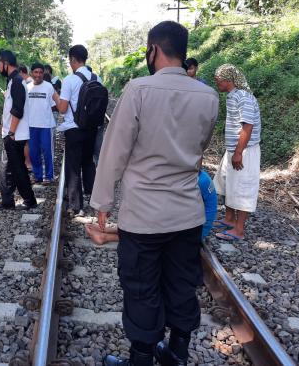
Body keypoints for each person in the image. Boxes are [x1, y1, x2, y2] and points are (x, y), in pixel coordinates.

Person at [90, 21, 219, 366]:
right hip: (187, 214)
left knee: (142, 288)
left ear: (154, 49)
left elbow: (114, 152)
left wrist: (102, 202)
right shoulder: (208, 96)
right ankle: (176, 354)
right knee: (180, 284)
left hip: (144, 217)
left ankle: (142, 359)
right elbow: (200, 150)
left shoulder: (139, 89)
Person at [85, 170, 218, 245]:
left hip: (194, 231)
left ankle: (107, 237)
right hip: (191, 225)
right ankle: (111, 229)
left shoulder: (193, 181)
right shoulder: (194, 176)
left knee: (153, 229)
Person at [212, 64, 261, 242]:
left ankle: (239, 230)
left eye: (218, 80)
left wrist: (239, 152)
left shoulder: (243, 97)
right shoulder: (233, 96)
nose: (217, 83)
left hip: (245, 150)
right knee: (228, 184)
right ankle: (229, 219)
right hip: (234, 149)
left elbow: (248, 126)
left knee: (243, 187)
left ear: (228, 80)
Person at [57, 45, 101, 216]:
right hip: (91, 129)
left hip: (74, 129)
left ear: (73, 59)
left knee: (73, 166)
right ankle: (94, 199)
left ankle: (76, 206)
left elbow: (62, 108)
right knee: (88, 162)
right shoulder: (97, 78)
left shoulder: (69, 80)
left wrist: (57, 98)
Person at [0, 50, 37, 211]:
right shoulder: (12, 82)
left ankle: (29, 200)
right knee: (6, 168)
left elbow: (17, 110)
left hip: (15, 135)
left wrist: (11, 133)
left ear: (6, 63)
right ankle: (7, 201)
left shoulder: (17, 82)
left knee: (17, 169)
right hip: (11, 134)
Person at [27, 63, 60, 183]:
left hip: (46, 125)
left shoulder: (48, 87)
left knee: (47, 151)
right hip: (31, 125)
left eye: (40, 72)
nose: (38, 75)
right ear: (31, 73)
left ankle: (49, 175)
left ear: (43, 74)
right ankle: (37, 175)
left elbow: (54, 105)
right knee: (33, 152)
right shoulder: (27, 87)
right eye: (36, 72)